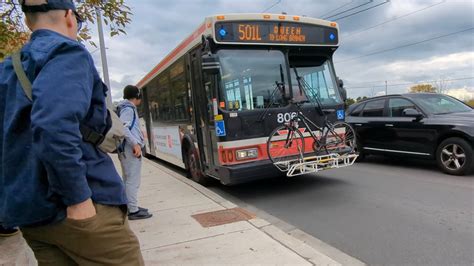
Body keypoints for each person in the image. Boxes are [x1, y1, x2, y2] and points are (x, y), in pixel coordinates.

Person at [0, 0, 144, 264]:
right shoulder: (67, 53)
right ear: (69, 16)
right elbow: (53, 126)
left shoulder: (8, 68)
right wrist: (77, 197)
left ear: (28, 21)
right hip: (76, 206)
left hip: (31, 213)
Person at [118, 85, 152, 220]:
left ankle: (131, 206)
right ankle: (133, 210)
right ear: (137, 96)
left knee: (128, 179)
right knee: (132, 180)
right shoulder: (129, 109)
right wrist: (135, 144)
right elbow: (124, 128)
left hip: (127, 148)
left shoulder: (125, 108)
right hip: (130, 149)